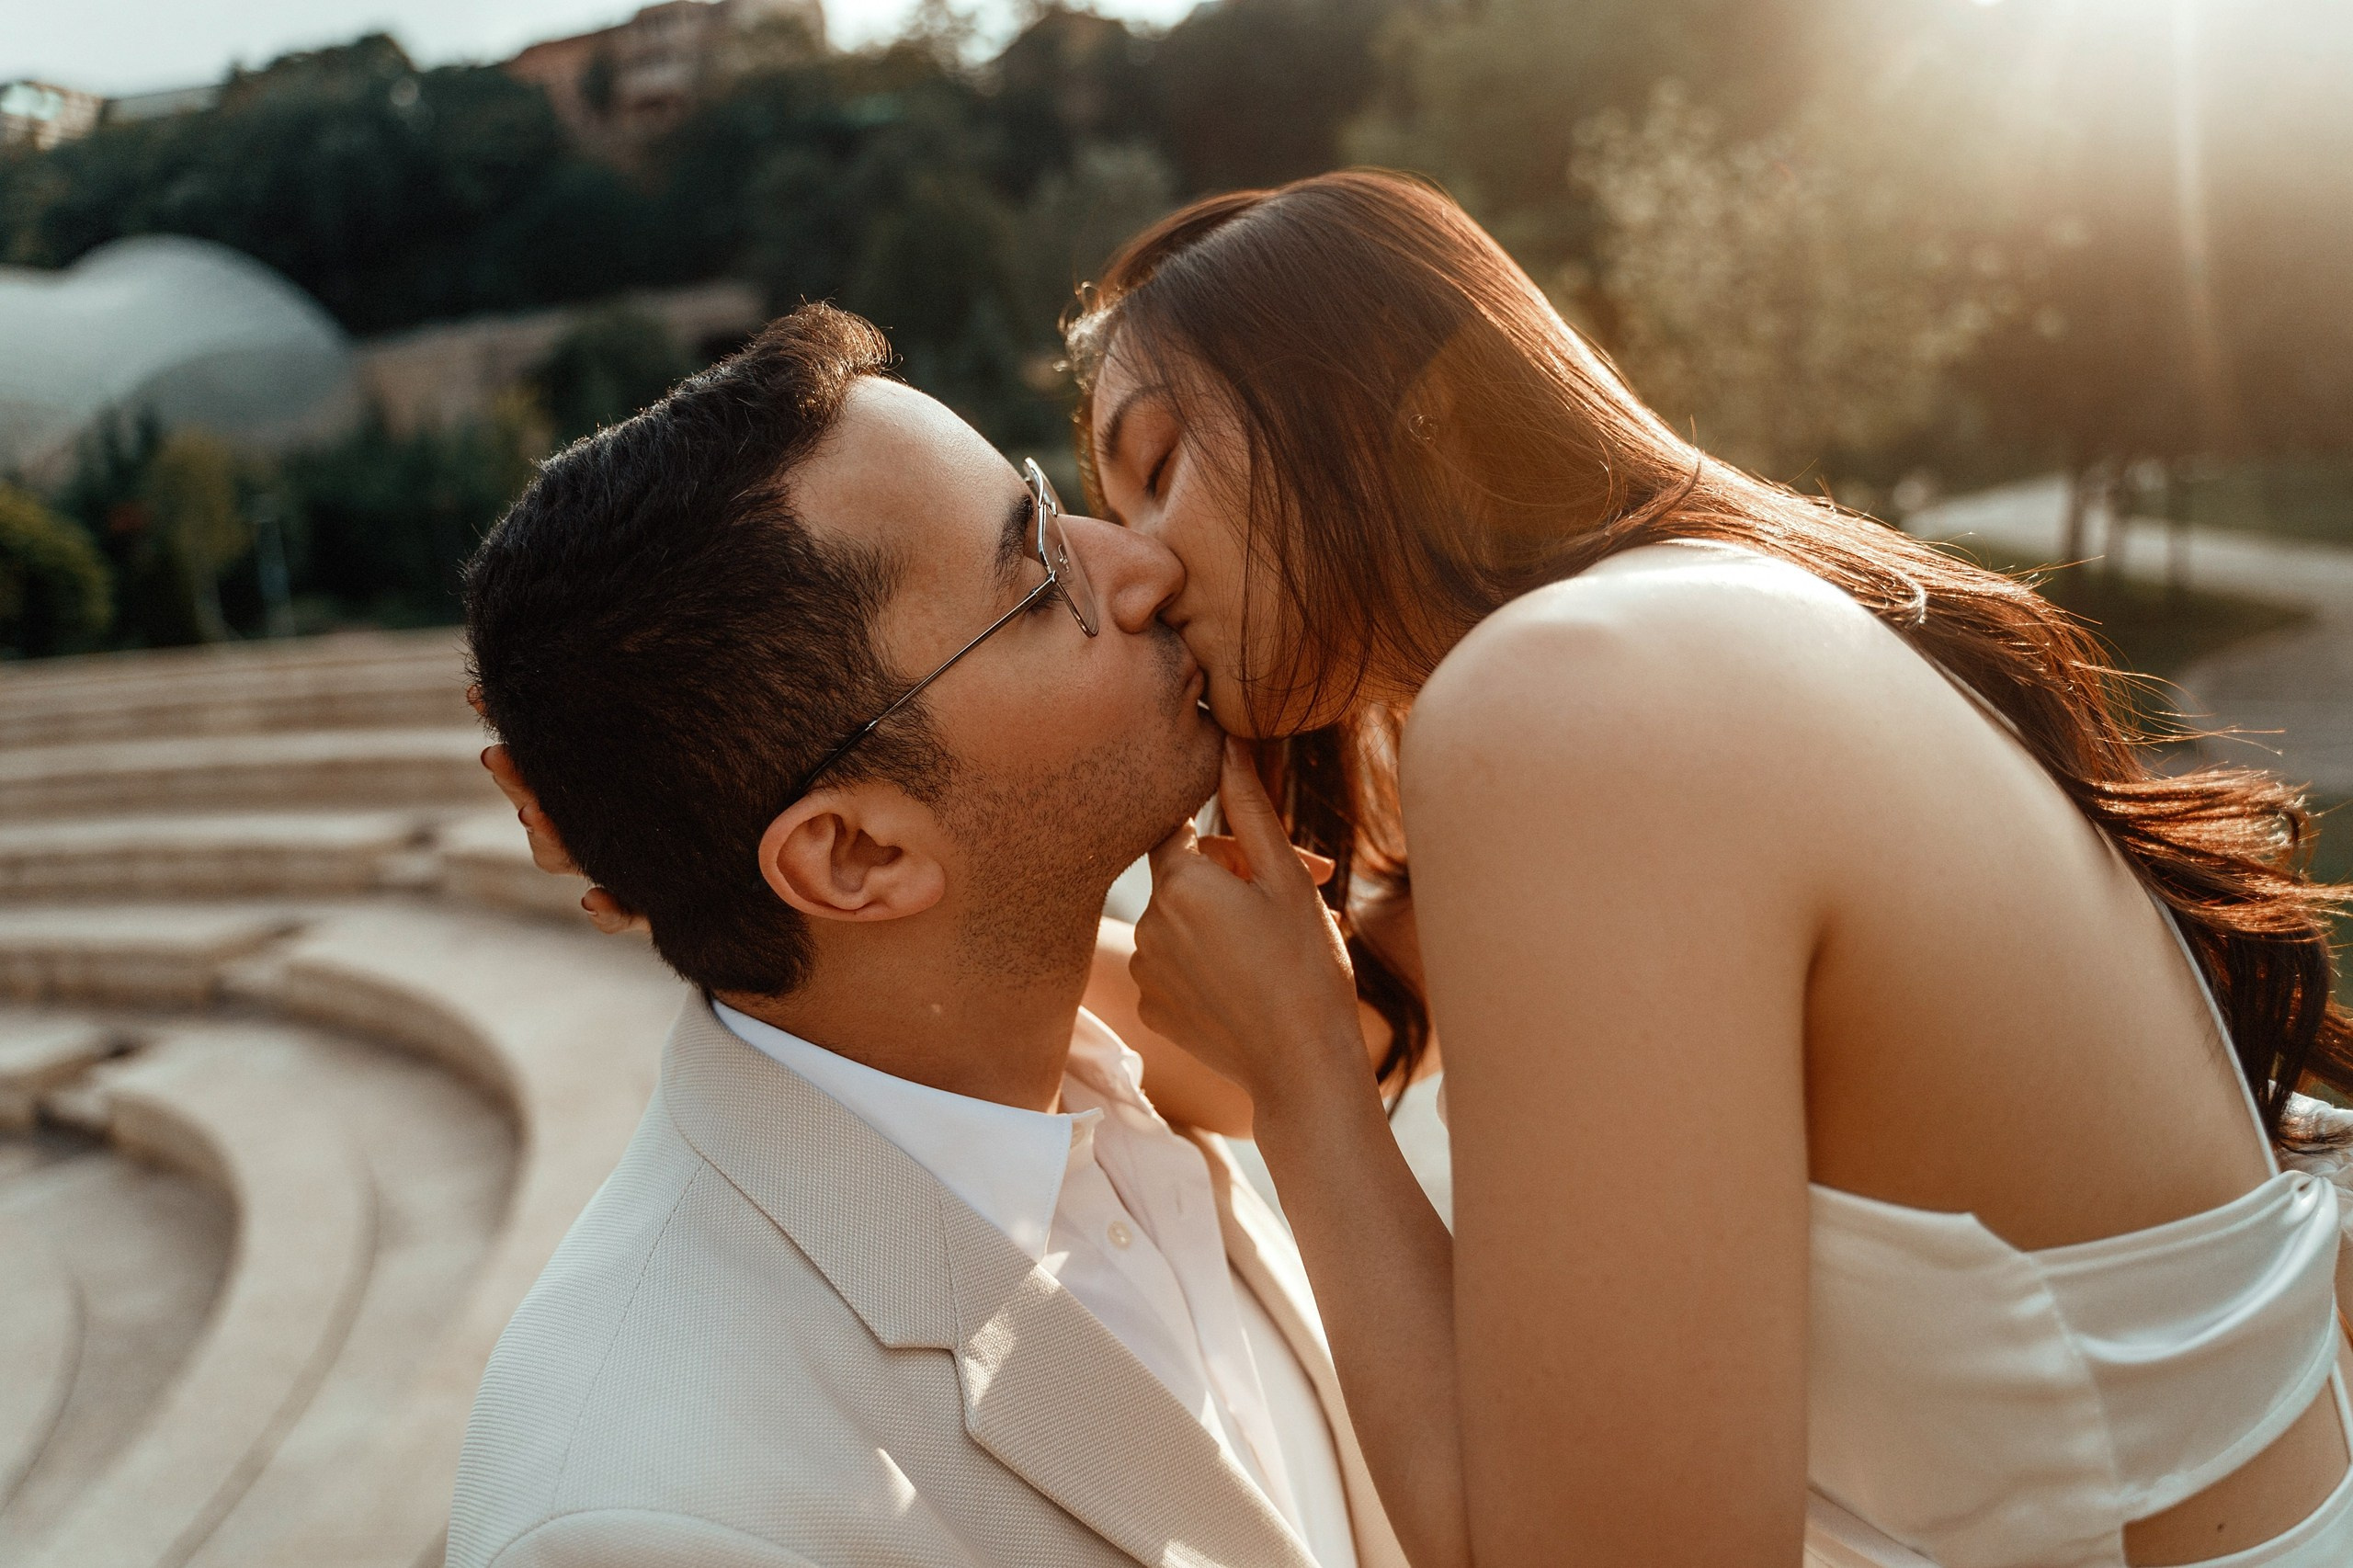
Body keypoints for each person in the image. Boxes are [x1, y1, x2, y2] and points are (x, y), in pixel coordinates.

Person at [1065, 170, 2353, 1568]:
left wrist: (1308, 1082)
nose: (1130, 572)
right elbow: (1333, 1022)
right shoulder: (1677, 631)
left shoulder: (1572, 697)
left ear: (1388, 401)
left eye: (1159, 467)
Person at [449, 304, 1404, 1568]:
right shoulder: (648, 1513)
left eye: (1047, 499)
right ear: (857, 855)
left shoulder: (1096, 1045)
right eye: (1042, 577)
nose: (1144, 565)